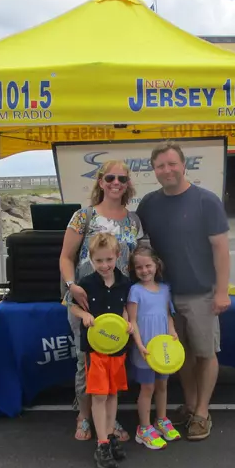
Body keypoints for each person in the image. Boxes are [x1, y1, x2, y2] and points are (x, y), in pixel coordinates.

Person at [136, 141, 230, 441]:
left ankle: (203, 413)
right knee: (181, 355)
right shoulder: (148, 204)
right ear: (154, 171)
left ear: (184, 165)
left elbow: (221, 250)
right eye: (161, 166)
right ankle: (190, 405)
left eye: (172, 164)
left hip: (201, 293)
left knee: (205, 353)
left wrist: (222, 292)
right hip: (164, 297)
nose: (167, 170)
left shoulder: (206, 201)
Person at [59, 159, 142, 443]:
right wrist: (72, 287)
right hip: (85, 303)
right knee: (87, 363)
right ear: (100, 182)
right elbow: (66, 257)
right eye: (110, 178)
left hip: (117, 305)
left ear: (128, 183)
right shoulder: (83, 217)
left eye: (121, 178)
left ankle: (108, 418)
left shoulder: (134, 221)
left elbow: (137, 261)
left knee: (112, 365)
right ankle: (84, 415)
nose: (115, 183)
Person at [68, 233, 133, 468]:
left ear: (117, 256)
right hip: (94, 351)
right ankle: (102, 443)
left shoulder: (125, 282)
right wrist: (83, 314)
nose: (104, 265)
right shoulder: (85, 283)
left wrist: (127, 322)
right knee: (99, 395)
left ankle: (110, 435)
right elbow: (69, 304)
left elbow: (125, 308)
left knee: (113, 393)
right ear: (91, 260)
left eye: (108, 259)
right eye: (99, 261)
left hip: (117, 348)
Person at [126, 245, 181, 450]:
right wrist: (139, 345)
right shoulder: (135, 291)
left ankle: (161, 419)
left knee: (162, 385)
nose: (144, 271)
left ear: (156, 265)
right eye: (139, 267)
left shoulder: (165, 289)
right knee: (147, 387)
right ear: (134, 270)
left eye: (148, 265)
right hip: (145, 349)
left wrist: (173, 332)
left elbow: (168, 315)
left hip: (163, 349)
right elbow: (132, 321)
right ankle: (144, 428)